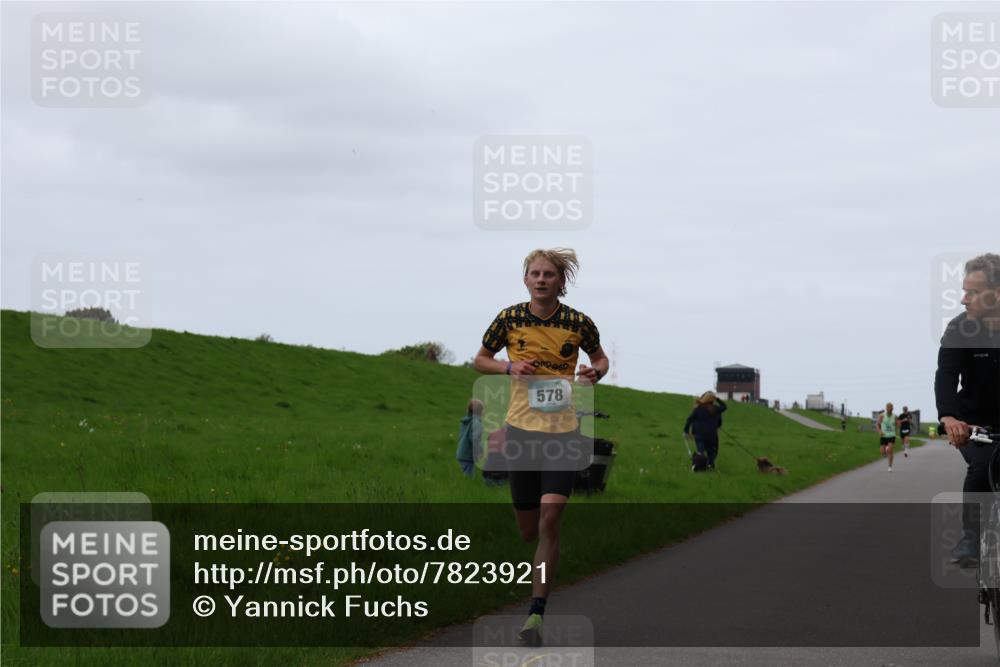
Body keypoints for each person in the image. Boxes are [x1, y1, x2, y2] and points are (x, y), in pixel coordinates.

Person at [473, 248, 609, 647]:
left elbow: (599, 359)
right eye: (534, 273)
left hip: (563, 432)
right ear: (526, 280)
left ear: (560, 281)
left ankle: (535, 614)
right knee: (527, 529)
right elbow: (481, 359)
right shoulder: (509, 318)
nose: (541, 279)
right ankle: (537, 568)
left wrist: (594, 372)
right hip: (521, 432)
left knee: (551, 521)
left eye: (548, 274)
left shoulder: (578, 322)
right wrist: (509, 367)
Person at [935, 253, 1000, 565]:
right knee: (983, 464)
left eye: (972, 292)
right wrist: (949, 416)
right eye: (963, 291)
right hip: (975, 422)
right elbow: (946, 375)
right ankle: (972, 539)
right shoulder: (959, 329)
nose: (963, 300)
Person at [683, 391, 728, 469]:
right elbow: (724, 406)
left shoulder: (698, 409)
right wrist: (717, 399)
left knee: (701, 451)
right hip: (712, 434)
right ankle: (710, 465)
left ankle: (699, 465)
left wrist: (686, 431)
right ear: (712, 400)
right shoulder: (716, 409)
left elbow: (689, 420)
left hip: (699, 434)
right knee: (711, 451)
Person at [456, 399, 484, 478]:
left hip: (462, 452)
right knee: (469, 478)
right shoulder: (477, 423)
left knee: (466, 477)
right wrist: (480, 452)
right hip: (468, 455)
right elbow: (475, 439)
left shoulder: (466, 421)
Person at [876, 402, 897, 472]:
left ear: (893, 409)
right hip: (883, 436)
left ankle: (890, 466)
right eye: (889, 408)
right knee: (882, 452)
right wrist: (880, 431)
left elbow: (898, 425)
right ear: (886, 408)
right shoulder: (881, 416)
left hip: (891, 435)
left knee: (890, 450)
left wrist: (899, 424)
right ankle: (885, 451)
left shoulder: (894, 416)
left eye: (891, 408)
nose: (890, 409)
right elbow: (878, 425)